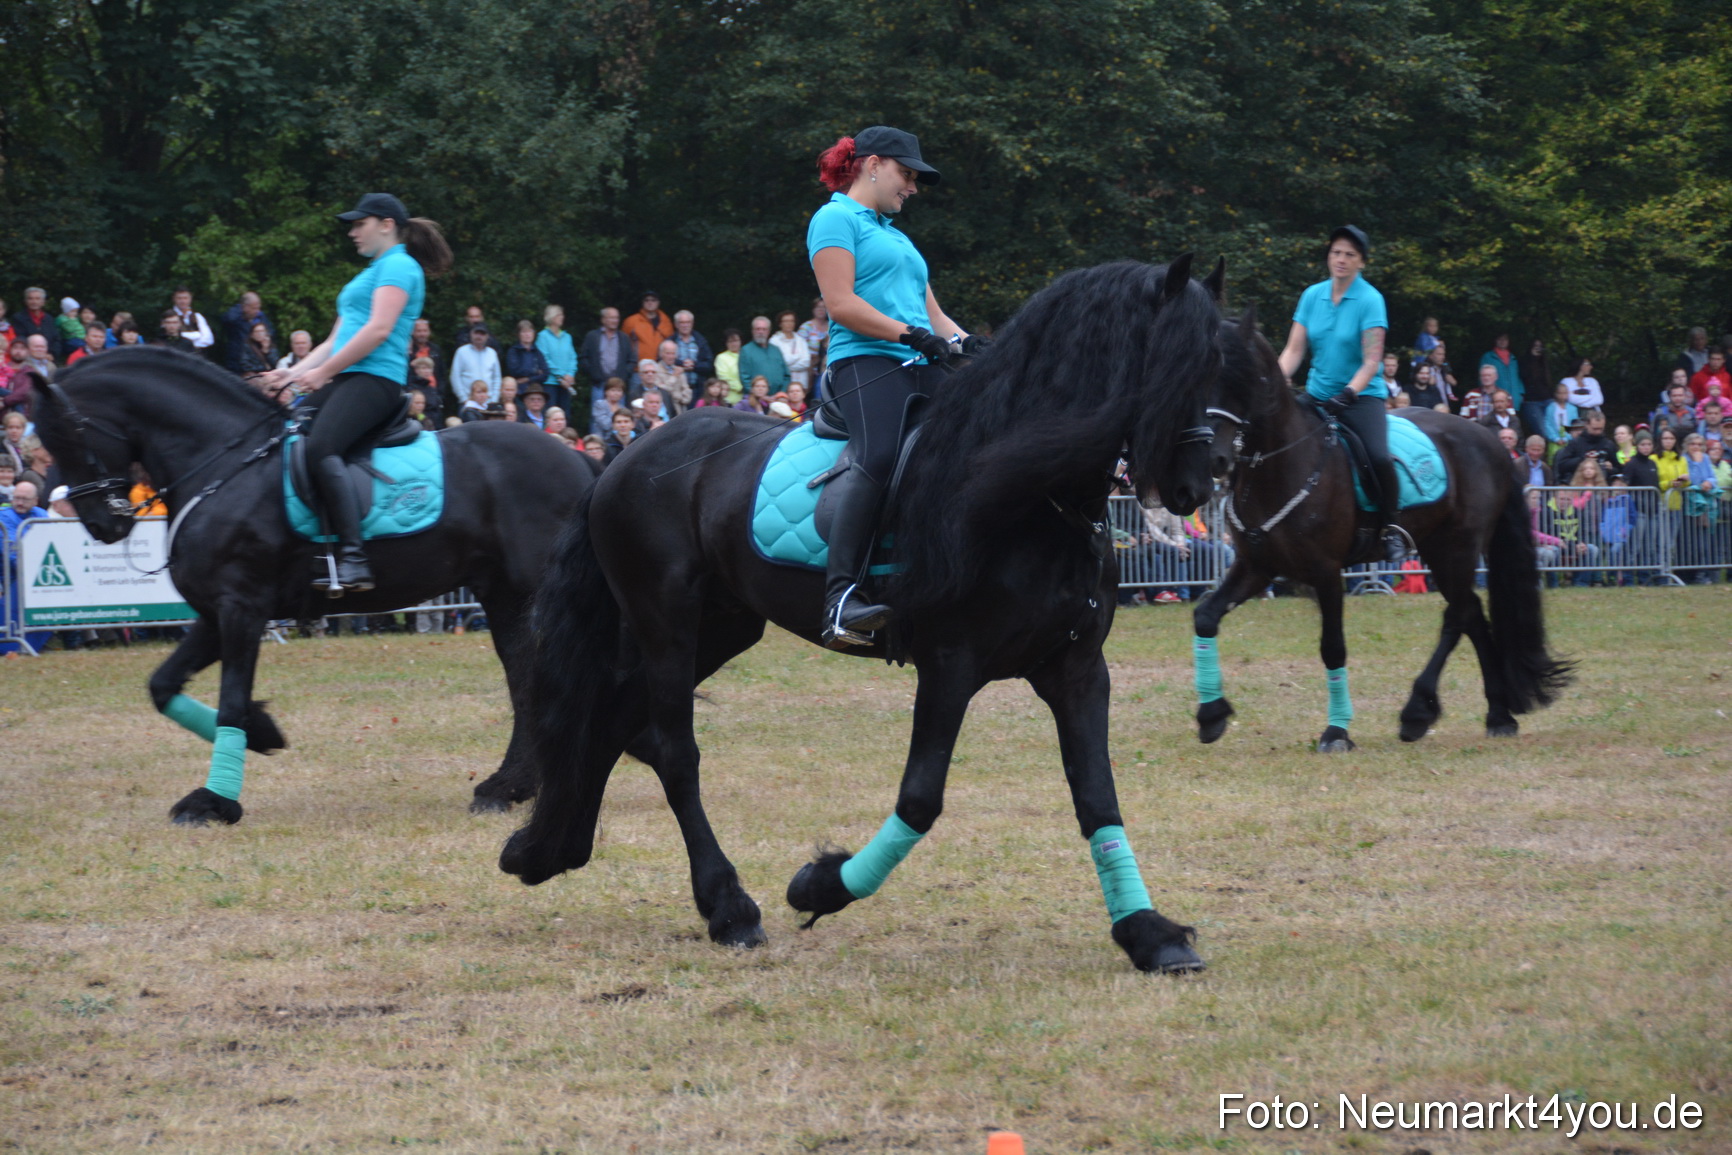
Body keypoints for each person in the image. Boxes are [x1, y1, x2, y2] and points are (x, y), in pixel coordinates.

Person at [808, 126, 972, 647]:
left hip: (919, 360)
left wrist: (974, 345)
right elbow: (842, 305)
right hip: (865, 363)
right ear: (873, 164)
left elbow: (937, 317)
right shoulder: (834, 217)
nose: (914, 188)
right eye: (908, 175)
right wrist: (910, 335)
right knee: (879, 457)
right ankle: (839, 601)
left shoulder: (898, 237)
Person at [261, 192, 448, 593]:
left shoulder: (400, 266)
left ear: (386, 225)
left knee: (321, 448)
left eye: (359, 224)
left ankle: (354, 558)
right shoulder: (370, 273)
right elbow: (334, 339)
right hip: (347, 377)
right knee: (287, 436)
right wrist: (291, 374)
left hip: (375, 381)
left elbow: (379, 330)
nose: (352, 232)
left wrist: (324, 373)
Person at [1278, 224, 1403, 563]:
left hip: (1361, 398)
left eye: (1350, 254)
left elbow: (1372, 359)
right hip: (1317, 394)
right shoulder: (1311, 295)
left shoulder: (1370, 300)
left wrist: (1349, 394)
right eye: (1336, 252)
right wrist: (1274, 382)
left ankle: (1392, 527)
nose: (1341, 260)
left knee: (1378, 456)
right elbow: (1293, 350)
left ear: (1361, 261)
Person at [579, 306, 635, 399]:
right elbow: (583, 357)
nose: (615, 320)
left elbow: (632, 360)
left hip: (618, 386)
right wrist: (593, 373)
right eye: (612, 318)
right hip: (599, 385)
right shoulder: (592, 336)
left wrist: (624, 375)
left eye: (617, 318)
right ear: (603, 320)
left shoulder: (624, 338)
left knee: (618, 413)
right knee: (599, 412)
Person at [1552, 408, 1615, 487]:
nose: (1598, 432)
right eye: (1595, 429)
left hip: (1601, 489)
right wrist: (1582, 459)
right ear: (1587, 425)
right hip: (1577, 490)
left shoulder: (1608, 444)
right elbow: (1562, 466)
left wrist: (1610, 468)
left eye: (1601, 429)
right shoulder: (1575, 443)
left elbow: (1618, 469)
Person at [536, 305, 579, 415]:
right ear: (552, 317)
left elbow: (572, 357)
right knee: (550, 414)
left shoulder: (567, 336)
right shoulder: (542, 336)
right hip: (550, 382)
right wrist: (561, 375)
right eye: (559, 315)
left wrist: (570, 374)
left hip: (566, 383)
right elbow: (544, 359)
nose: (562, 317)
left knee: (565, 415)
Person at [622, 292, 674, 375]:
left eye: (653, 300)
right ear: (642, 303)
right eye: (647, 300)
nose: (650, 302)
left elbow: (672, 346)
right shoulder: (631, 321)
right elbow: (623, 345)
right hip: (637, 370)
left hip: (661, 370)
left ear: (658, 303)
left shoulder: (666, 321)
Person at [222, 293, 277, 372]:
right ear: (245, 307)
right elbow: (228, 319)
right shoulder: (235, 317)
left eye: (258, 308)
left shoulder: (261, 316)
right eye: (254, 308)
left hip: (258, 361)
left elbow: (271, 332)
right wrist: (240, 309)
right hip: (237, 361)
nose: (257, 311)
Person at [738, 315, 790, 392]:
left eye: (764, 329)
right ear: (752, 331)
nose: (761, 332)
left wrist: (782, 392)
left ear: (768, 331)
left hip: (778, 398)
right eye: (758, 329)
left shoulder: (776, 350)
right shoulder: (746, 350)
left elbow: (787, 375)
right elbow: (744, 378)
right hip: (755, 399)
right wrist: (761, 397)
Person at [451, 322, 501, 403]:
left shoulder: (492, 353)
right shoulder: (462, 352)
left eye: (482, 334)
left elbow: (497, 378)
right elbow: (455, 377)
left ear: (487, 336)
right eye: (476, 333)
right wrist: (463, 398)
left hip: (488, 402)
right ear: (471, 334)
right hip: (467, 402)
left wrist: (494, 400)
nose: (479, 336)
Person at [504, 319, 549, 401]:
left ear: (534, 333)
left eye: (530, 331)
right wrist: (536, 372)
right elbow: (514, 371)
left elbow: (545, 374)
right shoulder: (513, 351)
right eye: (524, 332)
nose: (527, 335)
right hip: (519, 392)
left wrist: (528, 379)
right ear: (518, 334)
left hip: (536, 392)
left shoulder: (537, 352)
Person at [671, 310, 713, 394]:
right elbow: (664, 362)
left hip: (698, 389)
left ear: (692, 323)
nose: (685, 325)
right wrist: (683, 364)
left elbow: (709, 365)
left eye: (688, 322)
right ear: (676, 324)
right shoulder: (670, 342)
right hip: (676, 390)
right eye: (682, 322)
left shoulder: (701, 341)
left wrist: (694, 365)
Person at [770, 309, 813, 390]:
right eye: (786, 321)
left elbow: (806, 362)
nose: (789, 323)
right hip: (783, 384)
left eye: (792, 321)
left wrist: (786, 366)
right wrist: (798, 356)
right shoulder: (774, 341)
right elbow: (777, 364)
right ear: (780, 323)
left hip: (801, 384)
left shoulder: (801, 340)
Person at [10, 289, 60, 360]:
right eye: (30, 299)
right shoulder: (18, 318)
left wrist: (52, 354)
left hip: (49, 358)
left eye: (37, 299)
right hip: (28, 358)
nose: (34, 302)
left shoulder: (49, 318)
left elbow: (56, 339)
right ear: (26, 301)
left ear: (43, 302)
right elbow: (21, 339)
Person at [1517, 337, 1550, 437]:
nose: (1538, 349)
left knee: (1553, 429)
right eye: (1535, 346)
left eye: (1540, 347)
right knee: (1542, 432)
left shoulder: (1544, 363)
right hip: (1531, 401)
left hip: (1547, 400)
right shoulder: (1523, 362)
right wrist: (1533, 357)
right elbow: (1525, 375)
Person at [168, 286, 216, 354]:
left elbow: (209, 340)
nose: (183, 301)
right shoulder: (169, 316)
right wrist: (197, 335)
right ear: (174, 299)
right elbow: (171, 338)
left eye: (185, 298)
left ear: (190, 299)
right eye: (179, 298)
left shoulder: (197, 316)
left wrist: (186, 342)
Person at [1478, 333, 1522, 405]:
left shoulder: (1513, 358)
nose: (1502, 341)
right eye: (1500, 339)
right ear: (1495, 341)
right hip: (1495, 399)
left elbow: (1518, 377)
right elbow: (1482, 377)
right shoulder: (1488, 357)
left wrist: (1520, 393)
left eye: (1505, 339)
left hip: (1514, 398)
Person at [649, 340, 693, 412]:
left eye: (673, 354)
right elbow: (663, 391)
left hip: (680, 410)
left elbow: (687, 391)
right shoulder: (655, 370)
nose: (671, 356)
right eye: (668, 353)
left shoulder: (679, 370)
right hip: (663, 410)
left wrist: (681, 399)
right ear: (661, 354)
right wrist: (674, 377)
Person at [796, 298, 830, 392]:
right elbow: (798, 348)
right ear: (813, 309)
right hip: (808, 369)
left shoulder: (831, 326)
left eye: (824, 307)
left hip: (826, 368)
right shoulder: (806, 327)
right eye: (818, 307)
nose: (821, 310)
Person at [1541, 382, 1577, 448]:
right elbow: (1547, 424)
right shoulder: (1550, 408)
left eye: (1565, 393)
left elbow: (1575, 425)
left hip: (1569, 441)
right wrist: (1555, 438)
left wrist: (1567, 438)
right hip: (1554, 441)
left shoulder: (1573, 409)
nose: (1562, 396)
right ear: (1555, 394)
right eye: (1560, 393)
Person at [714, 328, 744, 397]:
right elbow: (724, 378)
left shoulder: (746, 355)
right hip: (730, 397)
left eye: (736, 341)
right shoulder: (721, 357)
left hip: (749, 397)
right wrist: (741, 388)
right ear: (726, 343)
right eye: (730, 341)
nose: (734, 344)